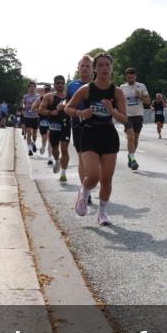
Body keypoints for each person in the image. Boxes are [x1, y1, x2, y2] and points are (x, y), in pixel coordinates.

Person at [65, 54, 128, 226]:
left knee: (107, 179)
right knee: (93, 176)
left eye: (107, 65)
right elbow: (67, 108)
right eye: (100, 65)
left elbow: (124, 118)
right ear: (95, 69)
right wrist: (80, 113)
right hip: (89, 133)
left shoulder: (117, 92)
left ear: (112, 68)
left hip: (108, 134)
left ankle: (102, 213)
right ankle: (84, 192)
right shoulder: (87, 89)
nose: (104, 68)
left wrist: (112, 110)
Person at [67, 55, 95, 205]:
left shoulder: (99, 84)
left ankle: (89, 186)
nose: (84, 68)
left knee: (96, 162)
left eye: (87, 66)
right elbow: (68, 104)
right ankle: (86, 191)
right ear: (78, 68)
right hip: (78, 125)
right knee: (82, 159)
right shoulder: (72, 86)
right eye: (82, 66)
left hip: (97, 126)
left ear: (92, 69)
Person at [39, 75, 71, 182]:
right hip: (54, 125)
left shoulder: (69, 96)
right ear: (54, 84)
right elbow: (40, 110)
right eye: (58, 83)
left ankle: (63, 173)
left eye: (62, 83)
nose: (60, 85)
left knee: (65, 149)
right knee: (55, 149)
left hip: (66, 124)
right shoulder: (49, 96)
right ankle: (57, 160)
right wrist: (50, 112)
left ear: (65, 84)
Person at [119, 67, 151, 170]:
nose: (131, 79)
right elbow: (118, 101)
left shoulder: (141, 86)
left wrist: (140, 96)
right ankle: (133, 160)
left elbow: (148, 101)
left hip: (138, 115)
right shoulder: (122, 88)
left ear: (135, 76)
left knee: (135, 139)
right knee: (131, 137)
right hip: (127, 116)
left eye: (132, 77)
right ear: (126, 77)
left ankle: (130, 155)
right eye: (129, 77)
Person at [35, 84, 53, 163]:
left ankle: (49, 158)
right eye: (46, 90)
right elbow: (33, 108)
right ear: (43, 91)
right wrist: (41, 111)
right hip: (42, 120)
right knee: (44, 138)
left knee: (51, 139)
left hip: (52, 120)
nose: (47, 91)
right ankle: (43, 145)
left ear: (50, 91)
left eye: (48, 90)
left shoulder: (53, 98)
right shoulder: (40, 99)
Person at [22, 82, 39, 154]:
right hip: (27, 116)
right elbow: (23, 104)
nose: (32, 88)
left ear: (35, 88)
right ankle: (29, 149)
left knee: (34, 134)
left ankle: (34, 143)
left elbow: (40, 106)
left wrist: (35, 107)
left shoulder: (38, 96)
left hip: (35, 116)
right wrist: (24, 106)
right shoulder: (25, 96)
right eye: (30, 87)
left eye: (33, 87)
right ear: (28, 88)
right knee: (29, 133)